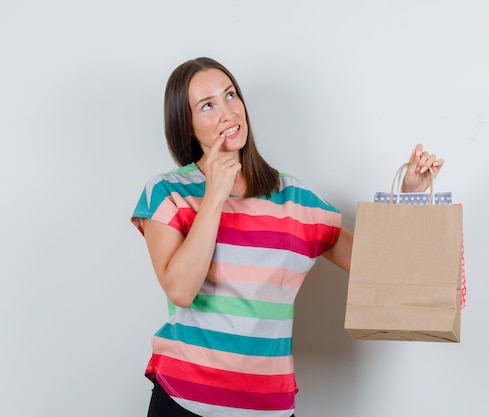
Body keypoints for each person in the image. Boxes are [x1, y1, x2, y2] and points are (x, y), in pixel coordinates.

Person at [131, 57, 444, 417]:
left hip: (270, 407)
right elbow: (181, 290)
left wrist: (411, 196)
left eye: (230, 95)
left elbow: (378, 271)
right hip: (184, 402)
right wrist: (215, 195)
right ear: (187, 127)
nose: (227, 113)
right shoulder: (167, 192)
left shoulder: (293, 199)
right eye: (207, 105)